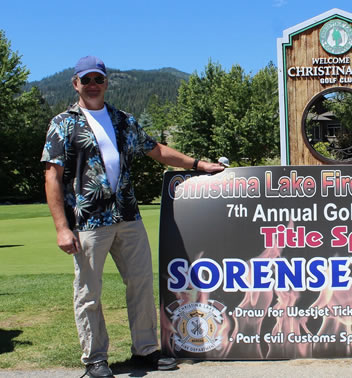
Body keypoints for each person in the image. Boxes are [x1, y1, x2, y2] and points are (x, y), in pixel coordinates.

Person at [41, 56, 225, 378]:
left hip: (127, 215)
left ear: (106, 82)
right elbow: (52, 176)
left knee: (140, 284)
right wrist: (61, 227)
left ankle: (145, 351)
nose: (93, 84)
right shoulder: (63, 123)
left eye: (98, 78)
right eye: (86, 80)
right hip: (88, 221)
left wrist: (198, 165)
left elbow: (156, 150)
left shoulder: (122, 119)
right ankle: (95, 360)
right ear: (76, 84)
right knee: (89, 293)